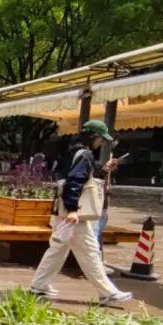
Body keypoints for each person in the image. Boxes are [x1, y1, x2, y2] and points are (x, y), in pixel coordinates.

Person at [29, 120, 132, 305]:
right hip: (76, 214)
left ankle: (39, 285)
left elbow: (72, 177)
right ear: (94, 137)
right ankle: (107, 291)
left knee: (58, 249)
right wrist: (72, 210)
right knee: (90, 251)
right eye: (100, 139)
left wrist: (102, 169)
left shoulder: (72, 151)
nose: (101, 142)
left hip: (64, 210)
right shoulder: (85, 155)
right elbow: (75, 182)